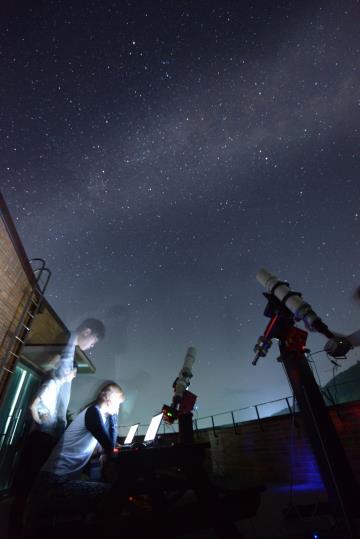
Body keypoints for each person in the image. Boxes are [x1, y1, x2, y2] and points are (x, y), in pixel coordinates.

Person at [8, 318, 105, 538]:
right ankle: (18, 530)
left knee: (30, 488)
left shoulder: (67, 349)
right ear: (87, 331)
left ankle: (21, 528)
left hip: (47, 433)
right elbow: (49, 383)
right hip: (43, 434)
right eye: (93, 341)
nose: (91, 346)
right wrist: (39, 413)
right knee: (28, 487)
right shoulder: (67, 346)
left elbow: (53, 374)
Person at [26, 383, 125, 529]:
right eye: (117, 402)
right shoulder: (93, 413)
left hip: (57, 481)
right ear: (108, 397)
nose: (118, 407)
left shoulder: (96, 415)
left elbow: (107, 447)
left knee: (101, 484)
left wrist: (108, 450)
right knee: (113, 492)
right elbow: (110, 447)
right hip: (53, 484)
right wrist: (115, 417)